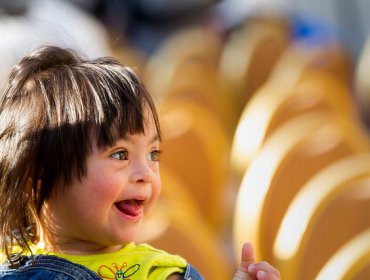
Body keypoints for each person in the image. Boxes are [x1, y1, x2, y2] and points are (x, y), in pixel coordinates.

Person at [0, 45, 280, 280]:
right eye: (120, 154)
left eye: (153, 154)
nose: (146, 174)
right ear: (38, 172)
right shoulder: (8, 262)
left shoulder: (159, 274)